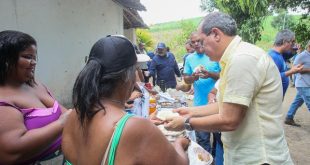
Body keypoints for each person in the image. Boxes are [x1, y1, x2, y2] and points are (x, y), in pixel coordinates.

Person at [164, 12, 293, 164]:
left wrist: (186, 122)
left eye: (202, 41)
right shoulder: (233, 59)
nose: (200, 48)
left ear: (215, 34)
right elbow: (226, 106)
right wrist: (189, 111)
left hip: (258, 158)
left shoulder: (242, 59)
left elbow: (229, 119)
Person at [62, 35, 189, 165]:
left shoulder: (74, 114)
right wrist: (179, 143)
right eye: (135, 70)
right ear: (127, 77)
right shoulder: (136, 128)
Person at [0, 30, 71, 164]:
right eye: (27, 57)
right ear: (5, 59)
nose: (33, 62)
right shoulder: (3, 100)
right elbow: (11, 152)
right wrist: (61, 124)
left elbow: (66, 114)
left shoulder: (35, 85)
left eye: (34, 57)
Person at [183, 31, 220, 152]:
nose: (197, 44)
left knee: (219, 140)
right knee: (203, 141)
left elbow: (224, 76)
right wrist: (193, 77)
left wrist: (209, 74)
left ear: (204, 40)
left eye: (199, 41)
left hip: (216, 105)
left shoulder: (214, 55)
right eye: (193, 42)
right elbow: (186, 79)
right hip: (199, 106)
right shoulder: (189, 58)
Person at [268, 29, 303, 97]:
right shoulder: (273, 57)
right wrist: (291, 71)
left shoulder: (280, 54)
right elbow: (272, 78)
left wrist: (295, 49)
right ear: (284, 42)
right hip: (273, 99)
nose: (293, 44)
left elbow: (288, 54)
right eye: (292, 42)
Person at [285, 40, 310, 126]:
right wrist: (308, 70)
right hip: (303, 84)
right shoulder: (301, 56)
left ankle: (289, 117)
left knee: (297, 102)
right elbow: (294, 69)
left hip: (307, 84)